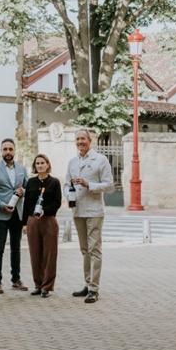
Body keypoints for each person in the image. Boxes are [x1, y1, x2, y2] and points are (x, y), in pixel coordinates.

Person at [66, 128, 114, 303]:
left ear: (90, 140)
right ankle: (87, 283)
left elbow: (109, 186)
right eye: (77, 139)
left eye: (83, 139)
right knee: (84, 250)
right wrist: (68, 194)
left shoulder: (100, 160)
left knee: (94, 250)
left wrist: (89, 184)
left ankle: (94, 288)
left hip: (94, 210)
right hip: (78, 210)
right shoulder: (72, 162)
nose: (80, 142)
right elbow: (66, 183)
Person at [0, 138, 29, 293]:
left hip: (17, 214)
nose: (8, 152)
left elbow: (27, 187)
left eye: (11, 149)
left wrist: (23, 191)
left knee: (16, 248)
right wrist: (0, 204)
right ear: (1, 151)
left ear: (14, 150)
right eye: (5, 149)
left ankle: (16, 279)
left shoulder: (22, 168)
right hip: (1, 214)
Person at [23, 154, 62, 297]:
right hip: (33, 221)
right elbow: (26, 203)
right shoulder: (31, 182)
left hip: (49, 220)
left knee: (49, 254)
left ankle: (47, 286)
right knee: (35, 254)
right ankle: (38, 285)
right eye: (37, 163)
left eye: (42, 163)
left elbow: (57, 202)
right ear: (35, 166)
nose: (40, 165)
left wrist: (46, 211)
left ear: (47, 164)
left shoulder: (54, 182)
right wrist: (24, 223)